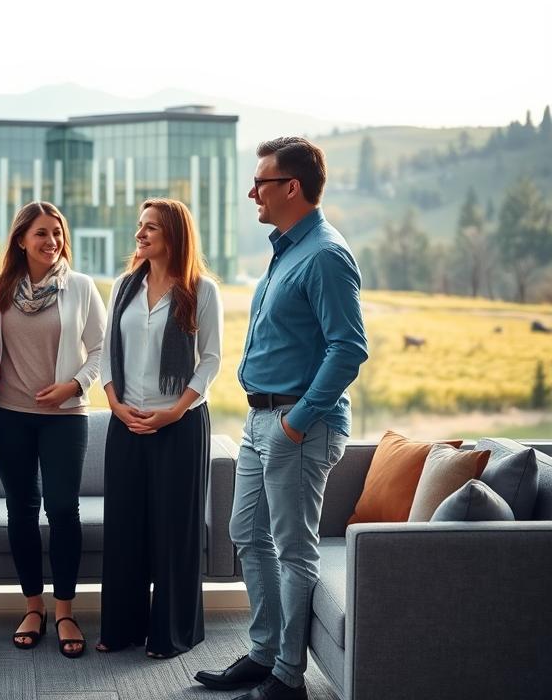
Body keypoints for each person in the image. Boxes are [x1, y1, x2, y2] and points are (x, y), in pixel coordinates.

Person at [194, 137, 368, 700]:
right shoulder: (287, 249)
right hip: (261, 420)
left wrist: (298, 420)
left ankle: (288, 677)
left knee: (293, 550)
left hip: (297, 424)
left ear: (291, 187)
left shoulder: (325, 254)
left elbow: (348, 349)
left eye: (260, 183)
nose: (253, 193)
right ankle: (264, 653)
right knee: (246, 534)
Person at [97, 197, 223, 659]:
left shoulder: (202, 290)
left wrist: (176, 410)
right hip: (125, 422)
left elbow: (210, 361)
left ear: (174, 234)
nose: (140, 234)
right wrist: (115, 405)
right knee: (124, 527)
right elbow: (107, 353)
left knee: (174, 531)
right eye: (140, 225)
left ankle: (172, 633)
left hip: (180, 425)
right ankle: (122, 628)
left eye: (151, 227)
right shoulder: (123, 287)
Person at [0, 201, 106, 658]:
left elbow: (100, 349)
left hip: (66, 416)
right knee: (21, 510)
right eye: (41, 233)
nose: (51, 241)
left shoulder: (79, 287)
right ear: (21, 239)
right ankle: (32, 607)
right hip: (10, 414)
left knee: (62, 508)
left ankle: (64, 611)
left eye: (57, 233)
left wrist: (73, 385)